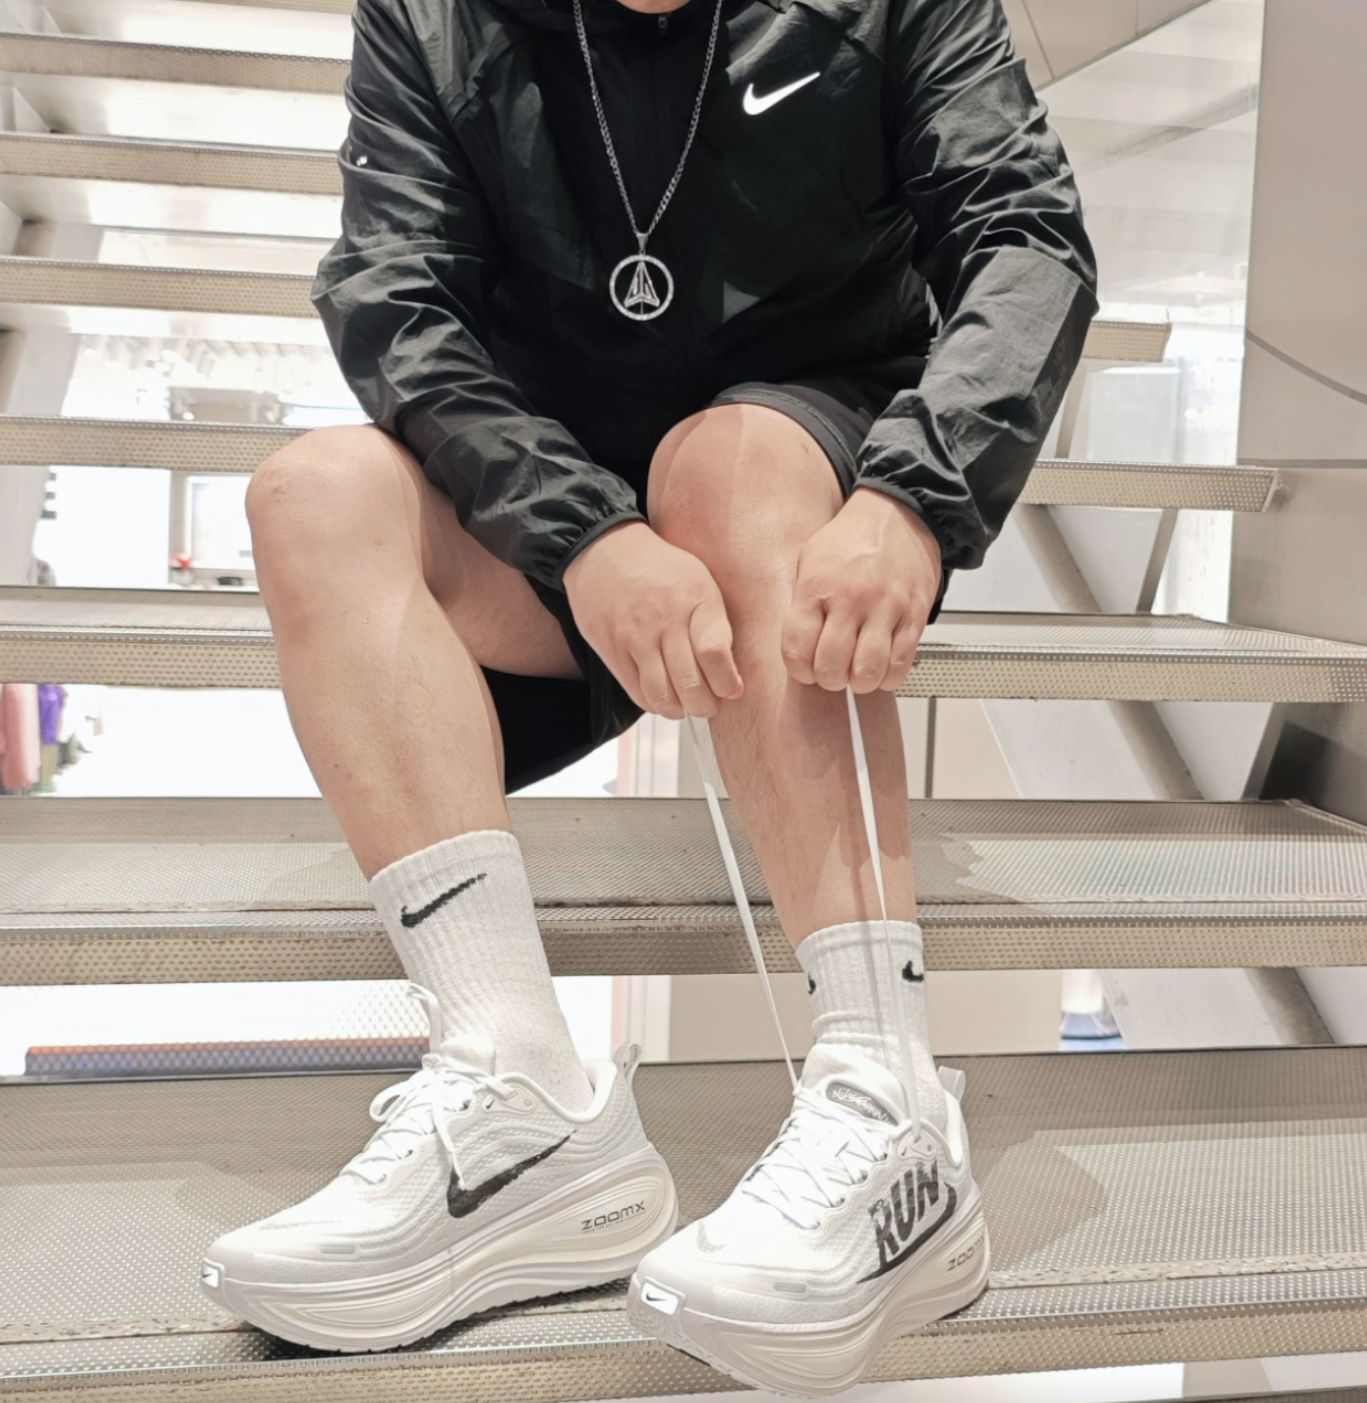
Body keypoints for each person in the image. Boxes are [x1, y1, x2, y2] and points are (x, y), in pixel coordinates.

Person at [200, 0, 1096, 1389]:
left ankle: (891, 1102)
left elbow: (1026, 233)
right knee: (312, 493)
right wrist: (584, 536)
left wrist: (919, 497)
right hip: (542, 495)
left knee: (724, 461)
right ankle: (521, 1099)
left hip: (804, 475)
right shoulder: (434, 18)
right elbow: (393, 295)